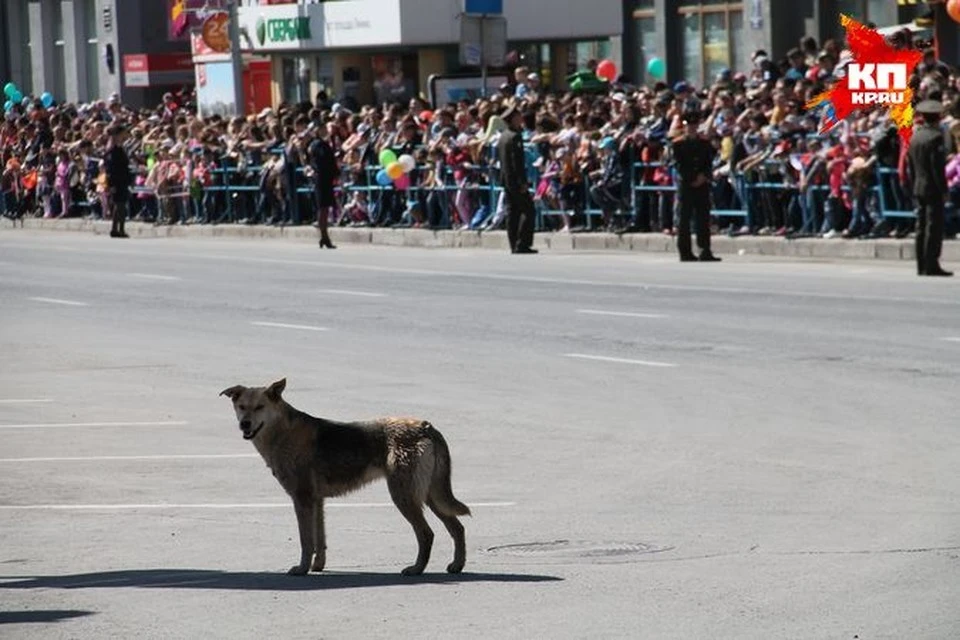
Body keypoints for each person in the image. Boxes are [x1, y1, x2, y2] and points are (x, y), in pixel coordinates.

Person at [907, 100, 951, 277]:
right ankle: (932, 264)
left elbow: (911, 165)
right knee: (933, 227)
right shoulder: (935, 138)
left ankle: (921, 265)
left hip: (918, 185)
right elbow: (937, 168)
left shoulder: (915, 137)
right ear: (938, 118)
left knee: (921, 226)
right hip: (932, 187)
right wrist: (944, 190)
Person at [670, 110, 721, 262]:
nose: (692, 127)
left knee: (703, 218)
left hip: (702, 183)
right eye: (688, 125)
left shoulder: (704, 143)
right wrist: (692, 178)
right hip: (686, 184)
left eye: (694, 124)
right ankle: (685, 252)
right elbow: (678, 165)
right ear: (684, 126)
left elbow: (708, 162)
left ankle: (705, 250)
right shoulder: (677, 144)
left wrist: (704, 176)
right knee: (684, 219)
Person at [497, 105, 536, 254]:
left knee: (512, 212)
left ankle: (514, 244)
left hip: (506, 179)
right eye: (518, 116)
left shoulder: (503, 136)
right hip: (515, 180)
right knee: (528, 210)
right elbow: (516, 162)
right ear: (513, 118)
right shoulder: (515, 137)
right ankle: (522, 243)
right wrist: (522, 182)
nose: (521, 118)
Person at [306, 123, 337, 249]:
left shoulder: (317, 144)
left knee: (324, 208)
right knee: (323, 208)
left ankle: (324, 237)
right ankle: (324, 237)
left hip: (323, 178)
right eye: (321, 129)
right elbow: (323, 161)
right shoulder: (319, 145)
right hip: (322, 178)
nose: (324, 131)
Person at [104, 124, 132, 238]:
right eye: (122, 134)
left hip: (122, 180)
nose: (124, 136)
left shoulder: (119, 149)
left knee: (120, 205)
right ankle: (118, 229)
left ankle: (117, 228)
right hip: (117, 181)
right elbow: (110, 168)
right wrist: (111, 184)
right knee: (120, 205)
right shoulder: (113, 151)